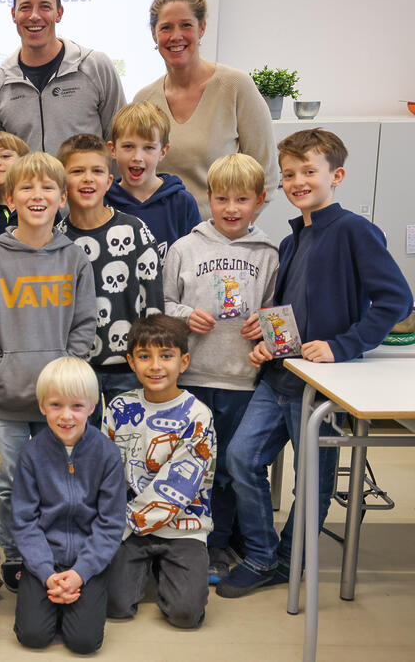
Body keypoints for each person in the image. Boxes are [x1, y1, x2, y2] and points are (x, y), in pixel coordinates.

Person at [217, 129, 413, 598]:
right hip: (280, 376)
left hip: (320, 384)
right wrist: (268, 340)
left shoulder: (354, 231)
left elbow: (396, 300)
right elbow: (288, 313)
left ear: (336, 176)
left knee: (313, 481)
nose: (298, 181)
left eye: (310, 171)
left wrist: (344, 345)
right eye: (289, 174)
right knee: (241, 458)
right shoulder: (292, 240)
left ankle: (291, 561)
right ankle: (264, 556)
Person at [0, 152, 96, 592]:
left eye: (47, 189)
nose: (37, 196)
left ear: (62, 198)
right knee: (8, 484)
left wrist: (65, 374)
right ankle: (17, 557)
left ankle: (58, 554)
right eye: (27, 188)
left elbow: (84, 324)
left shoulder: (74, 258)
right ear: (8, 197)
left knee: (62, 481)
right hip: (6, 398)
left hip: (60, 401)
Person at [163, 153, 278, 583]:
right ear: (208, 199)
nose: (231, 209)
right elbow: (161, 304)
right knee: (190, 463)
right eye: (223, 199)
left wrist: (264, 325)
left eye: (242, 200)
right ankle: (188, 541)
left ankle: (219, 543)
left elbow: (278, 314)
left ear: (260, 201)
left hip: (242, 380)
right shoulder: (184, 248)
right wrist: (184, 315)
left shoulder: (269, 254)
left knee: (228, 468)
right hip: (191, 378)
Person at [103, 315, 214, 629]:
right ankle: (145, 566)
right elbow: (107, 472)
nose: (155, 366)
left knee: (186, 615)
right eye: (144, 356)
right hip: (131, 527)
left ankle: (168, 568)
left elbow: (177, 486)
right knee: (115, 606)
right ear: (131, 362)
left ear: (184, 361)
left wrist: (125, 523)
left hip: (183, 527)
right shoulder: (118, 408)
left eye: (166, 356)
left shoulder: (197, 415)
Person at [133, 0, 277, 217]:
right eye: (166, 27)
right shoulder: (144, 100)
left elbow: (266, 175)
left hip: (220, 238)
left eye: (186, 25)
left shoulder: (236, 86)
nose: (176, 36)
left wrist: (235, 228)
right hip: (160, 239)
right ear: (154, 34)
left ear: (201, 29)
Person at [11, 357, 125, 653]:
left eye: (76, 406)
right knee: (33, 636)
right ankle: (48, 592)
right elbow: (24, 521)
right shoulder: (31, 454)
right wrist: (47, 574)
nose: (66, 416)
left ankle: (75, 594)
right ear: (42, 406)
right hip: (43, 558)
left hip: (88, 559)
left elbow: (110, 523)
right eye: (56, 405)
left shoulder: (108, 455)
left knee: (84, 642)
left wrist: (79, 574)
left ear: (91, 406)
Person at [58, 133, 164, 419]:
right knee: (82, 450)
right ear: (62, 184)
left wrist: (150, 358)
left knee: (129, 445)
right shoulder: (56, 239)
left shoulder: (135, 231)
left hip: (129, 368)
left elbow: (153, 303)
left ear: (109, 181)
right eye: (77, 171)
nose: (88, 179)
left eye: (97, 171)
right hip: (77, 368)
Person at [0, 0, 125, 156]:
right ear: (13, 14)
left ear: (59, 13)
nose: (34, 16)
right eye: (25, 7)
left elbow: (120, 142)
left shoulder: (96, 67)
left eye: (45, 7)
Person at [105, 102, 200, 262]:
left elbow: (195, 262)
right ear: (113, 149)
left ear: (163, 152)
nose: (137, 157)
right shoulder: (101, 203)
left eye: (148, 148)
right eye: (128, 146)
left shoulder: (182, 203)